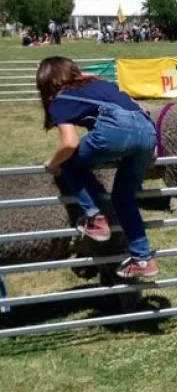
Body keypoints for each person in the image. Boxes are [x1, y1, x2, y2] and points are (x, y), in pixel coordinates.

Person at [35, 57, 159, 278]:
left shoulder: (60, 98)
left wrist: (53, 163)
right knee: (123, 196)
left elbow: (69, 143)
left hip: (116, 130)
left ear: (48, 83)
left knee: (68, 163)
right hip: (149, 132)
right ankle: (143, 259)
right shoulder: (99, 83)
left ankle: (94, 217)